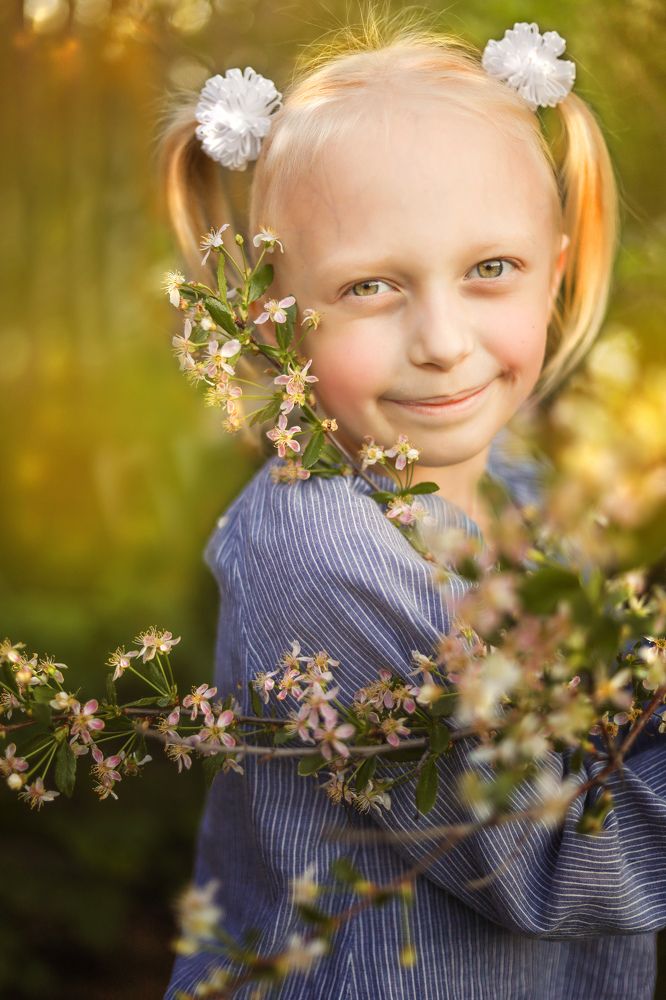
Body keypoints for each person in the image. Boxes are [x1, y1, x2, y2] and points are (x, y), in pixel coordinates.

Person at [159, 12, 666, 1000]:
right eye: (372, 286)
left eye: (490, 271)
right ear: (275, 309)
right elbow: (560, 859)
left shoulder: (519, 481)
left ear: (553, 272)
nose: (442, 340)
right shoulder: (327, 553)